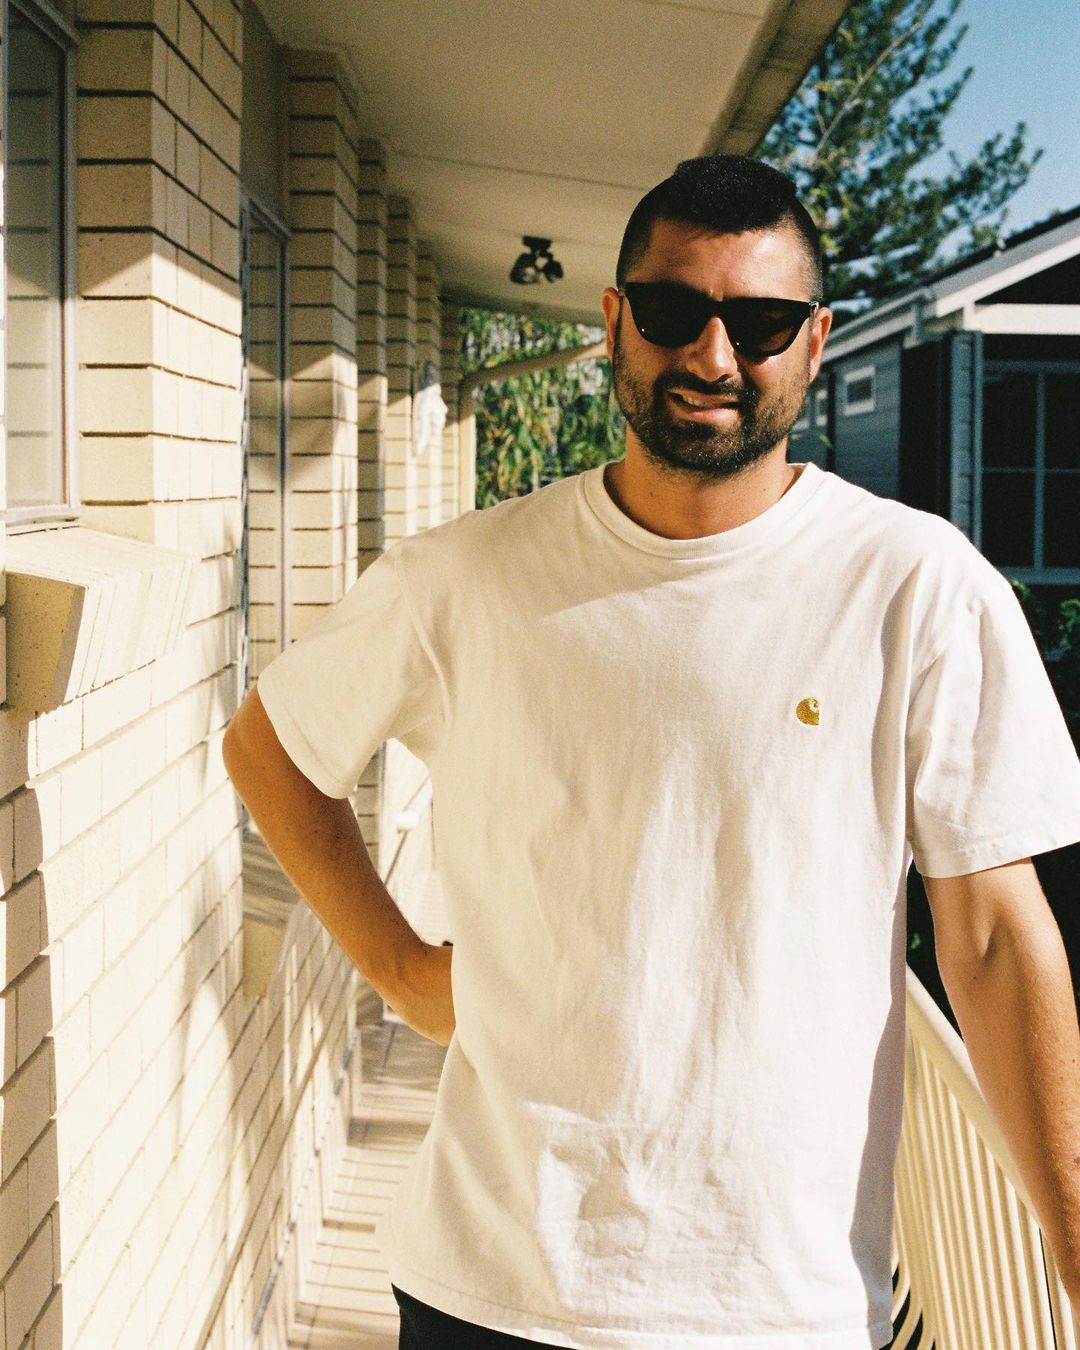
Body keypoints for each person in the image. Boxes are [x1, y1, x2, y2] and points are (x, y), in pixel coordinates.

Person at [222, 155, 1080, 1349]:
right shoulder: (466, 577)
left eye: (761, 322)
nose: (713, 356)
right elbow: (270, 748)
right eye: (674, 311)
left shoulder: (915, 587)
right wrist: (400, 968)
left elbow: (989, 937)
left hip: (777, 1303)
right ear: (615, 322)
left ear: (816, 341)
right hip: (491, 1283)